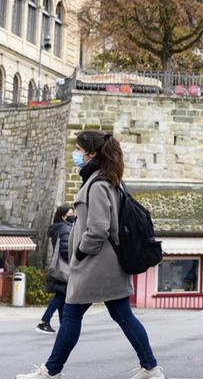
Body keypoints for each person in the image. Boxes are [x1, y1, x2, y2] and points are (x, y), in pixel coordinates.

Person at [18, 131, 165, 379]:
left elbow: (98, 229)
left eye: (78, 149)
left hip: (94, 264)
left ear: (92, 154)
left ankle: (51, 371)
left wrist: (79, 251)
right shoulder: (109, 179)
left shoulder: (96, 185)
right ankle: (151, 367)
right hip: (108, 264)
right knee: (122, 315)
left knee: (72, 314)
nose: (75, 154)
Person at [36, 206, 75, 335]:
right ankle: (44, 322)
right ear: (64, 216)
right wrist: (76, 258)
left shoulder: (59, 228)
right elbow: (65, 250)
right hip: (64, 268)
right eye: (71, 213)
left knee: (62, 296)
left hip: (59, 268)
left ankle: (64, 326)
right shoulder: (65, 229)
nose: (73, 215)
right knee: (61, 296)